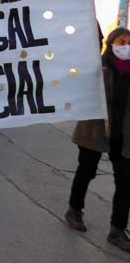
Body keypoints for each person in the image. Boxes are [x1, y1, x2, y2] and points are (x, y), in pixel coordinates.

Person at [65, 27, 130, 251]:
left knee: (125, 181)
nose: (125, 47)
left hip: (123, 135)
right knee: (86, 170)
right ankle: (74, 210)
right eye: (120, 42)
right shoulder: (98, 66)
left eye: (128, 43)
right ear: (111, 43)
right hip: (96, 129)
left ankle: (117, 229)